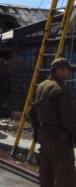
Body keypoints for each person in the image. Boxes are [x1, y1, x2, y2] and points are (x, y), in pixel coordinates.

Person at [29, 58, 76, 187]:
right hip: (59, 138)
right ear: (59, 71)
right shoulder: (61, 89)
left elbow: (31, 110)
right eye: (68, 70)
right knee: (66, 175)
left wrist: (37, 129)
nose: (71, 72)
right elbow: (68, 116)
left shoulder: (41, 86)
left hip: (44, 134)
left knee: (46, 172)